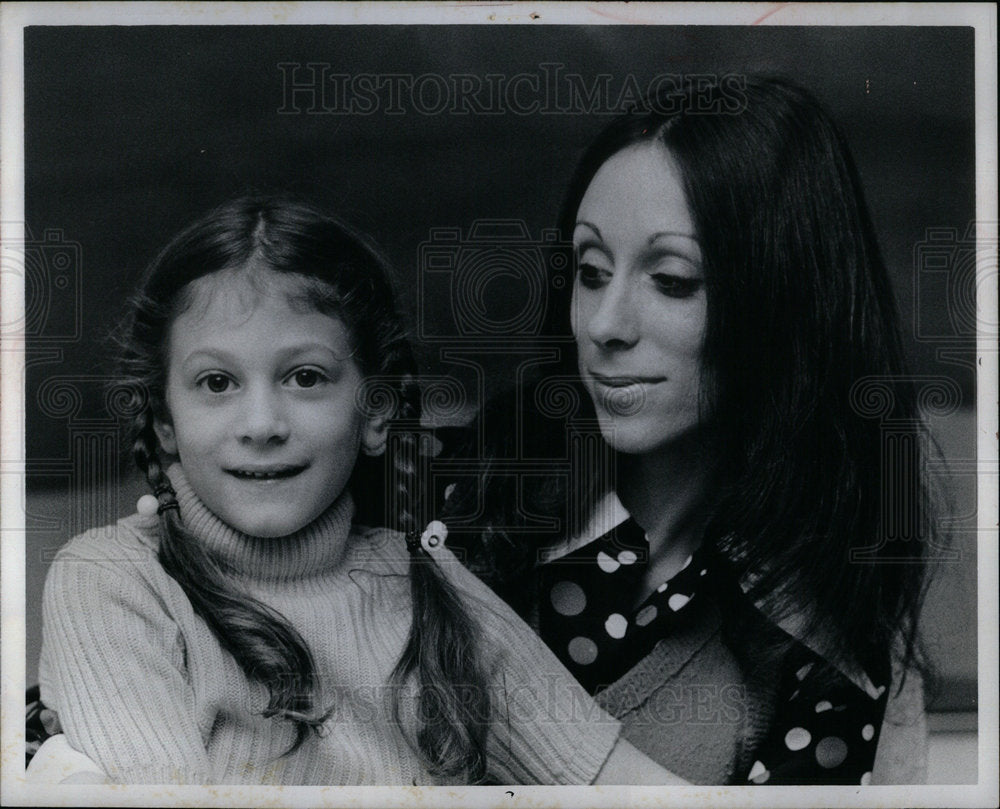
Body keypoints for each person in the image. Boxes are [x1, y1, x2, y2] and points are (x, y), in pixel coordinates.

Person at [34, 196, 685, 785]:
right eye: (216, 383)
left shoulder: (431, 588)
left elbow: (633, 790)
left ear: (374, 412)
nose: (262, 425)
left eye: (306, 376)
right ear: (164, 420)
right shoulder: (116, 581)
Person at [439, 76, 937, 785]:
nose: (605, 325)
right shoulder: (464, 490)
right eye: (589, 270)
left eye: (671, 281)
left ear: (783, 302)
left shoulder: (825, 640)